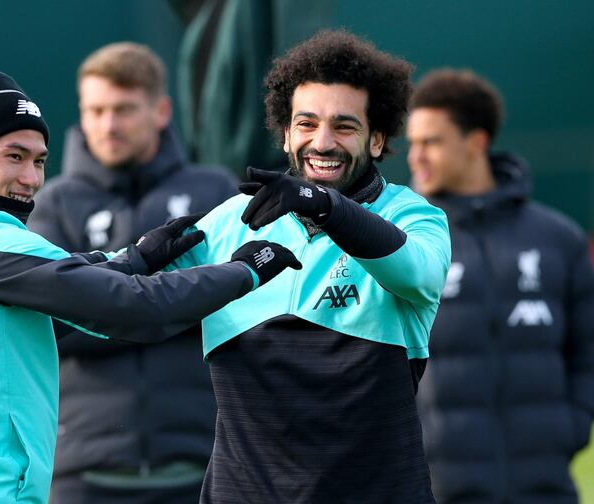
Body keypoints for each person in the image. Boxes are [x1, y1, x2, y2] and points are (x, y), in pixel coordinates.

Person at [0, 67, 301, 503]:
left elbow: (52, 291)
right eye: (14, 156)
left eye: (39, 160)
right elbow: (134, 309)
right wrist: (245, 270)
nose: (32, 179)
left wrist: (135, 259)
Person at [168, 30, 450, 503]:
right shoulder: (230, 221)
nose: (323, 143)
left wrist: (325, 206)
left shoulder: (412, 216)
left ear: (377, 140)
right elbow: (117, 305)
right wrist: (130, 261)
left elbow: (418, 272)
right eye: (306, 124)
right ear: (284, 134)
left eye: (344, 126)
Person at [28, 42, 238, 504]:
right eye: (96, 109)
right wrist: (180, 300)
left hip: (204, 460)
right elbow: (54, 324)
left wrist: (109, 303)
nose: (108, 124)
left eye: (123, 109)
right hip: (83, 469)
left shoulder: (214, 189)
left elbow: (234, 311)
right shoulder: (51, 204)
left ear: (160, 111)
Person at [407, 68, 594, 503]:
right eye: (412, 143)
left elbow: (588, 347)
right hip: (440, 489)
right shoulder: (403, 242)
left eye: (431, 142)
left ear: (476, 142)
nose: (415, 156)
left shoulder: (557, 238)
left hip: (545, 487)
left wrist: (573, 425)